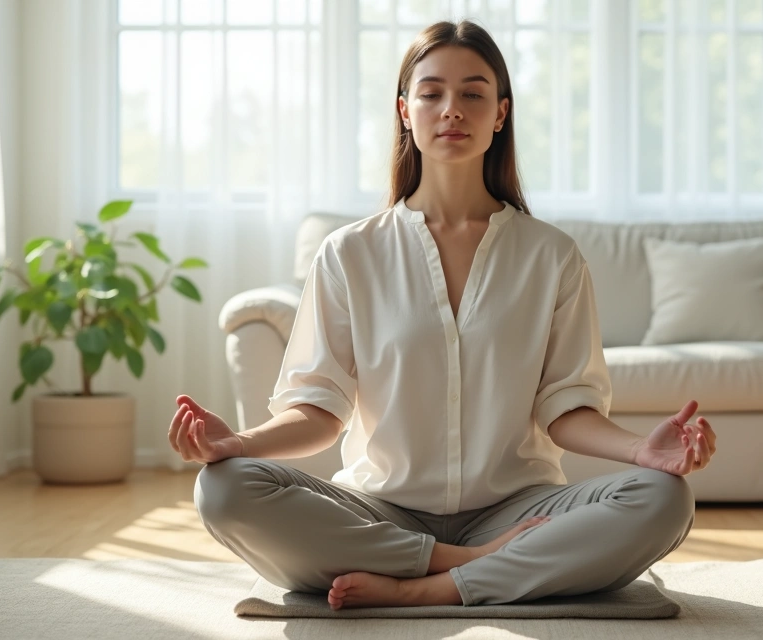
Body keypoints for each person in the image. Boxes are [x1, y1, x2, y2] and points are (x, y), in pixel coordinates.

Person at [169, 20, 716, 611]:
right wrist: (239, 444)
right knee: (224, 488)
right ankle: (467, 568)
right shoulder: (350, 252)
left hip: (518, 509)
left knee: (665, 498)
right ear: (405, 111)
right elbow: (319, 410)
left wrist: (643, 452)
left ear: (500, 113)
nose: (451, 109)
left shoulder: (550, 255)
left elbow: (565, 407)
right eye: (431, 93)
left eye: (473, 94)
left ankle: (428, 586)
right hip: (381, 510)